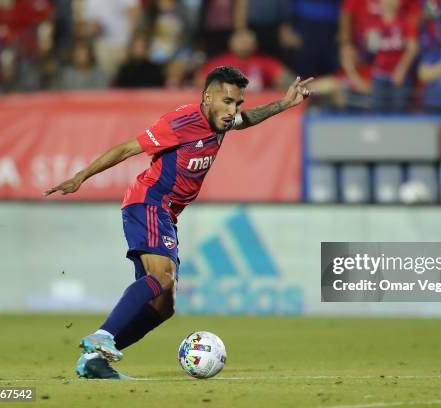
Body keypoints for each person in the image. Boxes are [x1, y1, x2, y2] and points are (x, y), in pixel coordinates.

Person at [43, 66, 313, 379]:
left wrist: (283, 103)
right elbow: (127, 148)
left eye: (237, 103)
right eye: (227, 102)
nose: (232, 110)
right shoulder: (182, 121)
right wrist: (80, 177)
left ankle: (94, 360)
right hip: (149, 202)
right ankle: (102, 337)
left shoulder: (221, 121)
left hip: (167, 214)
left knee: (164, 305)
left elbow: (244, 120)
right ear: (208, 97)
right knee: (164, 276)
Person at [199, 30, 295, 91]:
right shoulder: (220, 63)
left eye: (247, 40)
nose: (244, 43)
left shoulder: (263, 62)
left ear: (254, 44)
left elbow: (285, 77)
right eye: (240, 40)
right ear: (231, 43)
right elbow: (200, 81)